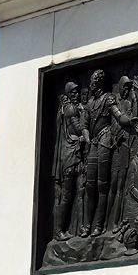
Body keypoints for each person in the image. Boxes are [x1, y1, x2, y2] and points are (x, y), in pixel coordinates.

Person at [81, 69, 138, 238]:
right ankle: (87, 225)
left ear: (100, 83)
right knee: (89, 186)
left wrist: (130, 120)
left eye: (94, 82)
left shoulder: (108, 98)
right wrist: (87, 139)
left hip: (105, 141)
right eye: (91, 82)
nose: (91, 85)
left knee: (102, 185)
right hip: (93, 143)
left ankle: (99, 225)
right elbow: (84, 126)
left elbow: (118, 116)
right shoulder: (88, 104)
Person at [52, 81, 89, 241]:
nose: (76, 94)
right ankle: (58, 231)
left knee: (81, 192)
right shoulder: (70, 109)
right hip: (69, 157)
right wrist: (85, 112)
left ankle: (81, 227)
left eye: (77, 91)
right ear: (68, 94)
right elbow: (78, 128)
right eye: (73, 92)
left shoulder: (72, 108)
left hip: (77, 155)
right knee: (67, 196)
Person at [106, 75, 138, 233]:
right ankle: (108, 223)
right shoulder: (114, 101)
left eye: (129, 88)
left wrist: (134, 101)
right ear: (119, 87)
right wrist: (132, 120)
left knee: (120, 187)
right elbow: (123, 119)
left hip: (125, 147)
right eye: (125, 87)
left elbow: (133, 117)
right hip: (114, 147)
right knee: (112, 186)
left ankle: (115, 222)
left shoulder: (127, 102)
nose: (127, 90)